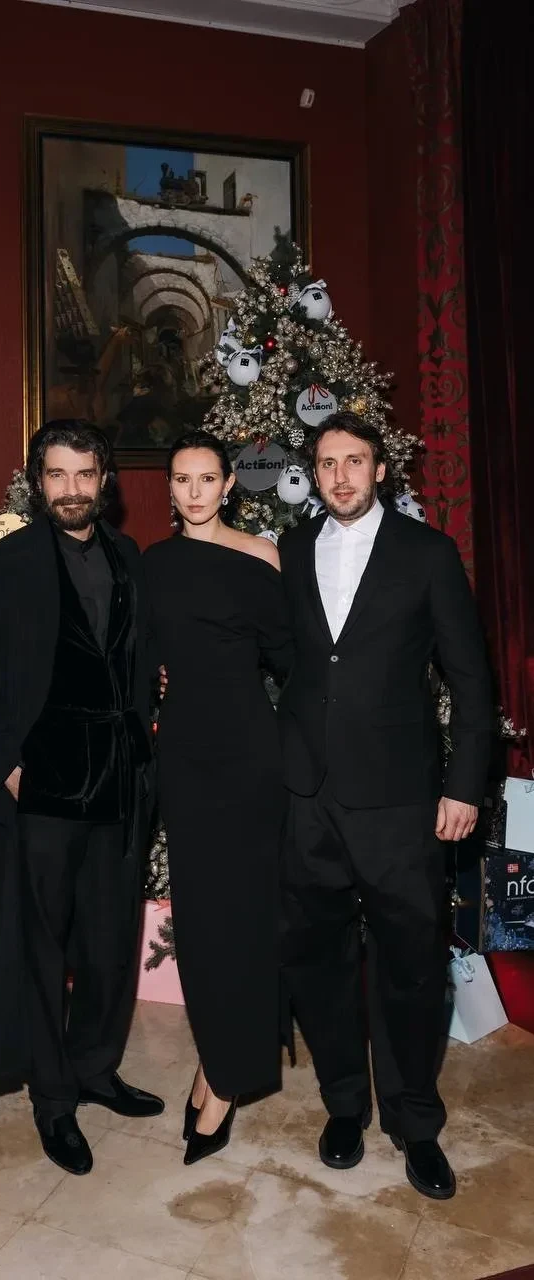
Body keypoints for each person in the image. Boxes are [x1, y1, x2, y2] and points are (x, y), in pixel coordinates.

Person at [277, 411, 493, 1201]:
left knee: (410, 966)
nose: (339, 476)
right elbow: (274, 654)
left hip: (401, 802)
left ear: (378, 470)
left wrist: (462, 785)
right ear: (314, 473)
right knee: (318, 961)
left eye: (354, 461)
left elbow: (470, 679)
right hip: (307, 798)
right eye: (326, 463)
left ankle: (414, 1122)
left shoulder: (426, 553)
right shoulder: (290, 549)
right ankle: (344, 1104)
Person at [0, 419, 164, 1176]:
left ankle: (95, 1068)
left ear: (104, 480)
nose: (71, 490)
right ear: (36, 482)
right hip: (41, 781)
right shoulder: (3, 565)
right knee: (40, 946)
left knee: (111, 937)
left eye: (84, 475)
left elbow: (138, 658)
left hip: (119, 777)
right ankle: (52, 1098)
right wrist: (7, 768)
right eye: (56, 475)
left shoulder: (127, 555)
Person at [144, 430, 292, 1165]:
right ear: (169, 487)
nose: (195, 491)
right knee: (201, 919)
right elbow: (138, 655)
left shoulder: (261, 558)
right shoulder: (153, 564)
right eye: (182, 479)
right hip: (184, 756)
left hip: (248, 754)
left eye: (207, 478)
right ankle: (216, 1058)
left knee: (246, 914)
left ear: (229, 483)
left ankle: (229, 1079)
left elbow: (294, 662)